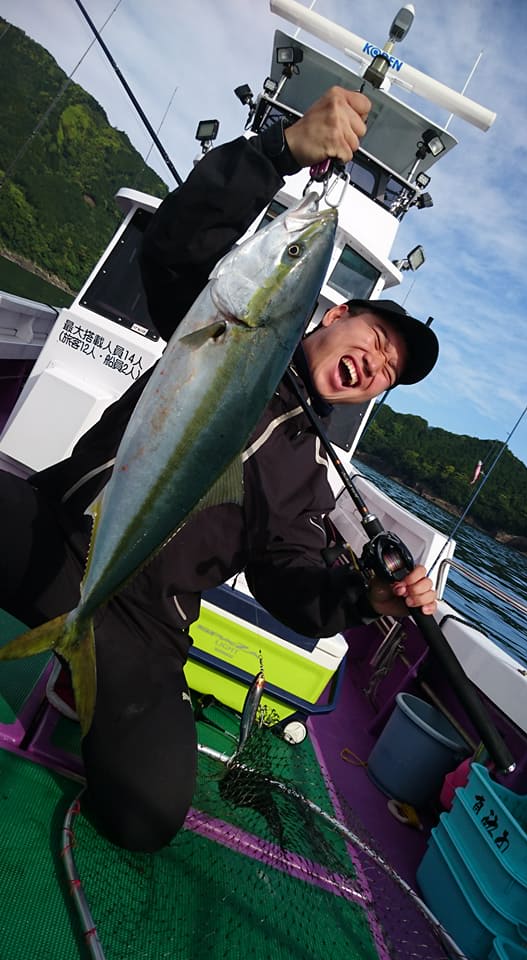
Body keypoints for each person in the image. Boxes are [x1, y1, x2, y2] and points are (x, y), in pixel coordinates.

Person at [0, 87, 438, 852]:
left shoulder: (307, 475)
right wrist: (278, 151)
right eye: (378, 342)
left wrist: (364, 598)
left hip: (148, 622)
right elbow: (177, 241)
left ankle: (85, 668)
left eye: (388, 376)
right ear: (333, 314)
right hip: (61, 533)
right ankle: (73, 651)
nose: (375, 366)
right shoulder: (212, 325)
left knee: (147, 813)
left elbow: (291, 585)